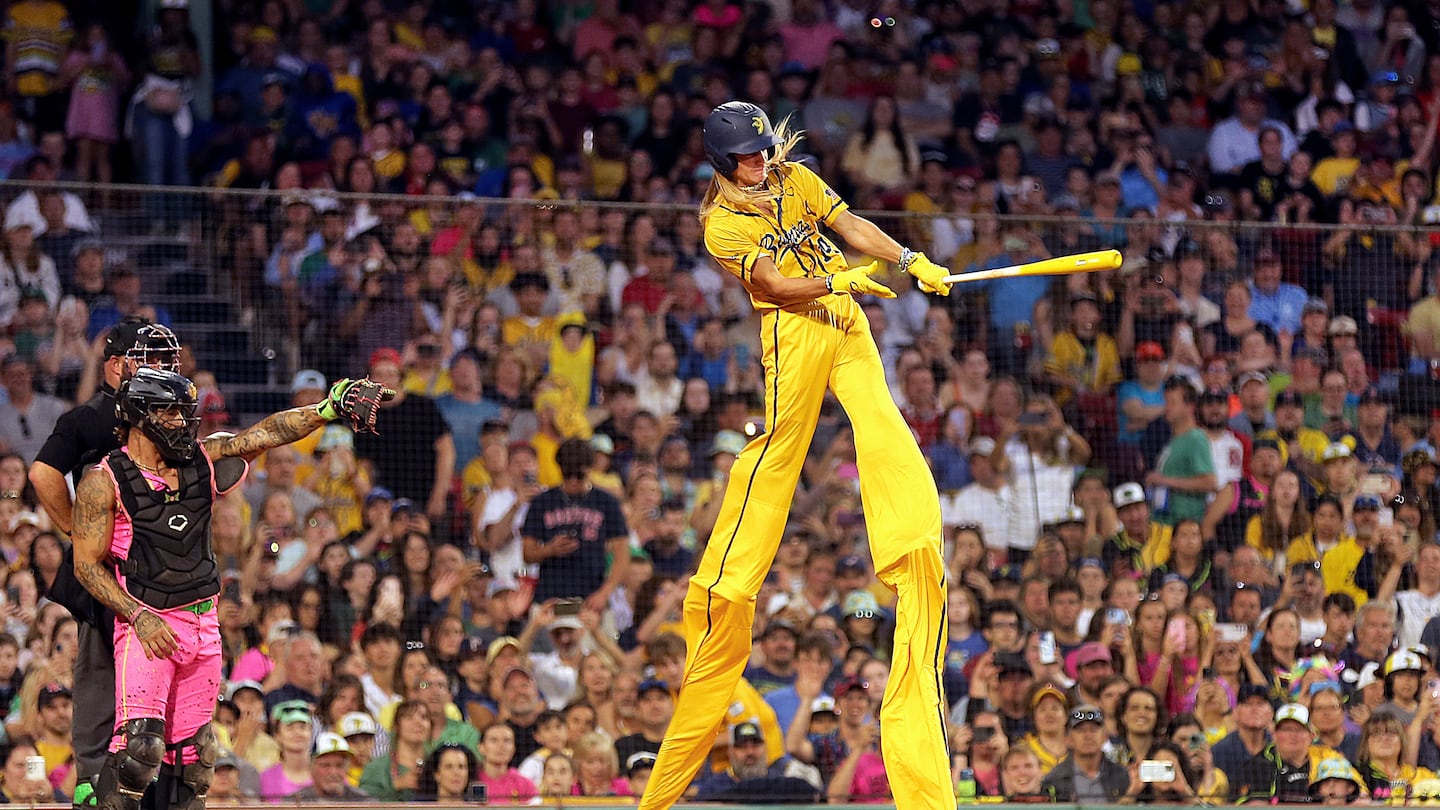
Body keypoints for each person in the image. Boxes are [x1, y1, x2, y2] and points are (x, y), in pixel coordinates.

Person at [641, 101, 955, 810]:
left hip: (845, 319)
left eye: (763, 151)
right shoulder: (720, 221)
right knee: (779, 452)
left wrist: (908, 259)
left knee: (881, 422)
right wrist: (838, 281)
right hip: (796, 327)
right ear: (722, 163)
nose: (761, 163)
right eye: (748, 157)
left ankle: (909, 537)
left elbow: (847, 225)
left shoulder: (794, 178)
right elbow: (774, 287)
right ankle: (731, 570)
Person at [70, 368, 388, 810]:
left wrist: (326, 409)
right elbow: (85, 566)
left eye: (185, 413)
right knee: (139, 753)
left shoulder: (201, 458)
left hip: (204, 624)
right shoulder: (102, 482)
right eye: (171, 413)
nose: (183, 422)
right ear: (140, 416)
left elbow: (266, 433)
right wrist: (137, 615)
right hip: (147, 624)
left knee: (199, 757)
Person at [26, 316, 180, 809]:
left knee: (158, 677)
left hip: (161, 571)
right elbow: (43, 473)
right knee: (99, 672)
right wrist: (76, 529)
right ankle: (94, 780)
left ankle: (153, 781)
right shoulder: (91, 418)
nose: (156, 366)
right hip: (109, 573)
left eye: (161, 358)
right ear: (114, 366)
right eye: (145, 357)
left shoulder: (166, 413)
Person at [288, 733, 369, 802]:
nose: (333, 772)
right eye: (325, 765)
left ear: (347, 768)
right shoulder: (294, 803)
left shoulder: (364, 802)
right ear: (311, 768)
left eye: (339, 765)